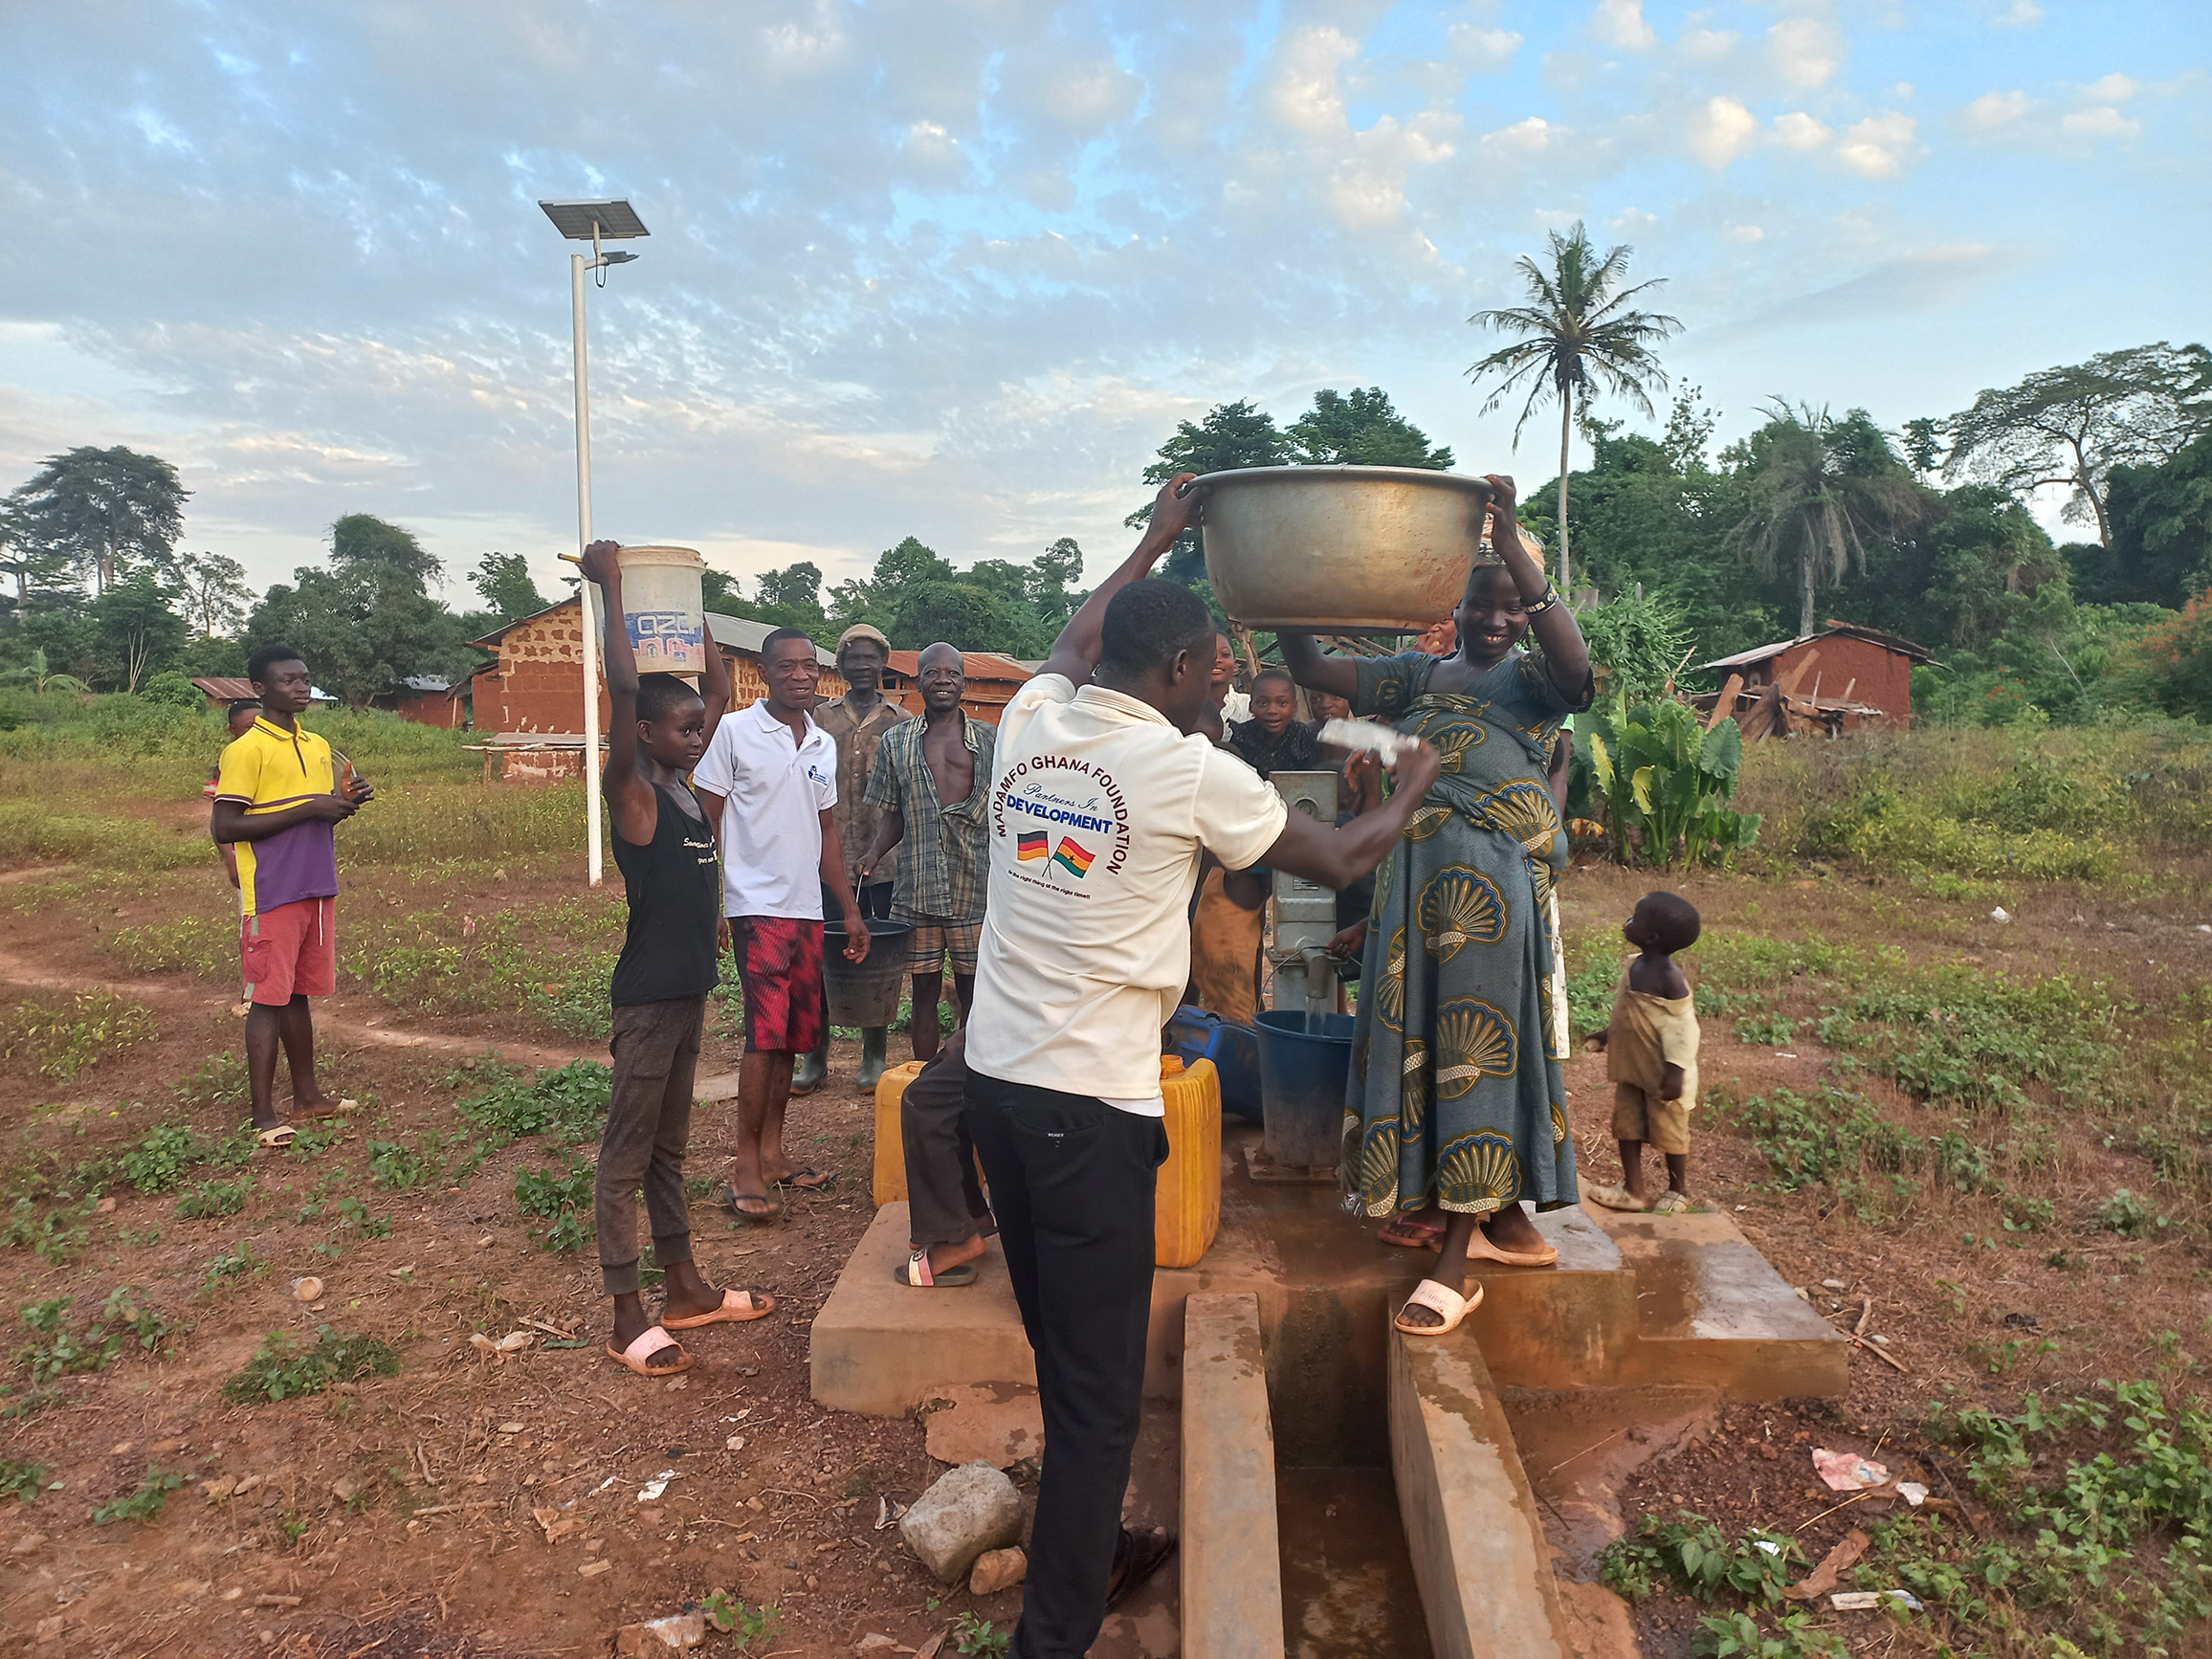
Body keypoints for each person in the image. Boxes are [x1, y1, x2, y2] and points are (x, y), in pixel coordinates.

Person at [963, 473, 1443, 1658]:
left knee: (1066, 1353)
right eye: (1217, 670)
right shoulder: (1187, 771)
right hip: (1085, 1114)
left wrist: (1160, 533)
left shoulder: (1029, 721)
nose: (1226, 684)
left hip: (994, 1089)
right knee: (1098, 1398)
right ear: (1176, 670)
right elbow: (1333, 858)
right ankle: (1053, 1637)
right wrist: (1420, 784)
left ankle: (1092, 1545)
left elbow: (1079, 632)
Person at [1282, 475, 1594, 1338]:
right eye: (1480, 606)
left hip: (1491, 896)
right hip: (1412, 893)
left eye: (1511, 609)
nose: (1494, 621)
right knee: (1419, 1045)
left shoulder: (1534, 683)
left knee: (1475, 1056)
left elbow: (1581, 674)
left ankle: (1456, 1267)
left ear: (1525, 613)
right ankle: (1473, 1217)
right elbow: (1308, 667)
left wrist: (1513, 540)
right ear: (1454, 606)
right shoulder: (1414, 672)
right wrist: (1284, 579)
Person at [578, 542, 775, 1376]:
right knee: (627, 1155)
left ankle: (684, 1287)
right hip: (650, 1000)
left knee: (668, 1150)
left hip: (689, 991)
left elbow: (721, 693)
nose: (699, 738)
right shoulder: (631, 792)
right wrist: (612, 589)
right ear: (646, 733)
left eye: (700, 729)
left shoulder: (686, 789)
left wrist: (696, 620)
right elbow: (624, 688)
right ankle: (627, 1317)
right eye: (684, 728)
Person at [693, 629, 872, 1221]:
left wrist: (846, 909)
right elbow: (706, 822)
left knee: (795, 1035)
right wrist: (711, 901)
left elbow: (825, 832)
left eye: (809, 666)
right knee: (764, 1037)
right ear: (764, 673)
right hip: (756, 904)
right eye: (788, 666)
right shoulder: (736, 733)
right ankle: (745, 1164)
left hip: (806, 909)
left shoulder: (821, 742)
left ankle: (773, 1153)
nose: (801, 675)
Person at [210, 648, 371, 1148]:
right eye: (288, 681)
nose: (301, 688)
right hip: (273, 888)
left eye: (305, 679)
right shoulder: (245, 750)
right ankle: (263, 1115)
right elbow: (226, 824)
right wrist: (309, 808)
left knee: (297, 992)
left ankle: (308, 1097)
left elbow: (320, 808)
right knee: (266, 998)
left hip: (316, 883)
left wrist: (345, 801)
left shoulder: (319, 744)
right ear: (260, 689)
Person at [856, 642, 995, 1064]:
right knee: (924, 994)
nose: (942, 680)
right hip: (918, 891)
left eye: (951, 673)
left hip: (976, 888)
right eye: (932, 673)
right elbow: (894, 815)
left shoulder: (992, 740)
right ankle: (923, 1076)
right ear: (919, 681)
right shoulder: (896, 742)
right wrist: (874, 853)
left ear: (964, 683)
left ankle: (970, 1079)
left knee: (976, 994)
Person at [796, 625, 910, 1093]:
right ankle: (815, 1058)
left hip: (883, 864)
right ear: (840, 665)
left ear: (882, 664)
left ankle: (874, 1056)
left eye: (871, 658)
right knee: (817, 959)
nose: (862, 666)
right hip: (822, 859)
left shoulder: (901, 721)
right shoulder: (818, 718)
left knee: (875, 960)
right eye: (853, 658)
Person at [1588, 892, 1702, 1217]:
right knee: (1627, 1127)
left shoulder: (1670, 979)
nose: (1627, 921)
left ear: (1652, 937)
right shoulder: (1635, 965)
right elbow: (1630, 1012)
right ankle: (1633, 1190)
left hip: (1664, 1075)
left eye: (1635, 918)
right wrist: (1608, 1034)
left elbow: (1683, 1029)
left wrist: (1675, 1072)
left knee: (1671, 1133)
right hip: (1633, 1070)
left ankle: (1677, 1190)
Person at [1227, 667, 1325, 778]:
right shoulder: (1242, 736)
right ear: (1251, 706)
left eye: (1282, 703)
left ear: (1295, 707)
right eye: (1263, 703)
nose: (1272, 711)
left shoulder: (1304, 737)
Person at [207, 697, 261, 891]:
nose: (256, 733)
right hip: (245, 856)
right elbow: (218, 819)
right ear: (232, 729)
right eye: (248, 727)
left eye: (261, 726)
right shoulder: (229, 762)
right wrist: (231, 862)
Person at [1210, 632, 1250, 725]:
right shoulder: (1181, 707)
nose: (1217, 660)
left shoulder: (1248, 706)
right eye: (1209, 654)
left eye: (1225, 654)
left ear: (1235, 666)